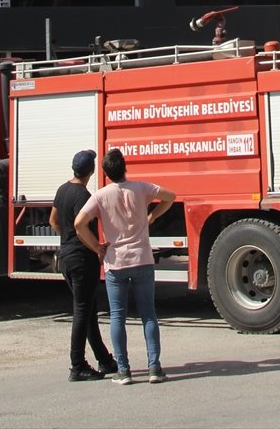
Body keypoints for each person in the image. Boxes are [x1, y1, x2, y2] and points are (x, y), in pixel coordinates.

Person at [75, 147, 175, 386]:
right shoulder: (141, 188)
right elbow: (170, 196)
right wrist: (152, 217)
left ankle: (124, 370)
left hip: (116, 262)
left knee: (118, 317)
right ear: (125, 167)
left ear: (106, 173)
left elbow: (79, 223)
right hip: (142, 259)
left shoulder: (101, 195)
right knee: (148, 315)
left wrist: (96, 247)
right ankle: (154, 368)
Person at [50, 150, 118, 382]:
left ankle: (104, 360)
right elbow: (82, 228)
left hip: (66, 258)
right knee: (82, 311)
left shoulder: (62, 190)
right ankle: (77, 365)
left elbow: (53, 220)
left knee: (88, 310)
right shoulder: (83, 195)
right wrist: (97, 247)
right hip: (81, 260)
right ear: (91, 171)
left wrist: (66, 240)